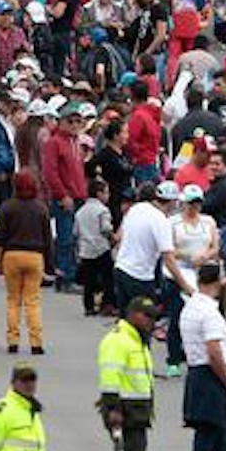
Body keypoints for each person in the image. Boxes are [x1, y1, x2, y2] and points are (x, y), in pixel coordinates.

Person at [98, 296, 160, 451]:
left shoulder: (136, 340)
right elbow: (110, 376)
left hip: (135, 410)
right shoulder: (119, 340)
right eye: (147, 316)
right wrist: (113, 409)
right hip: (123, 411)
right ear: (133, 314)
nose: (151, 322)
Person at [180, 262, 226, 451]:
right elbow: (214, 350)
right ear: (217, 281)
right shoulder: (209, 313)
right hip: (210, 373)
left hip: (198, 371)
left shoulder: (192, 307)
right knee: (208, 428)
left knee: (217, 428)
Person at [0, 169, 53, 354]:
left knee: (13, 300)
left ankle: (13, 340)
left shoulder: (7, 207)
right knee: (32, 301)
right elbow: (48, 239)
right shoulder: (41, 208)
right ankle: (36, 342)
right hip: (35, 256)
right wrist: (49, 264)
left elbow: (0, 237)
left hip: (11, 255)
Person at [113, 182, 194, 312]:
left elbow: (120, 237)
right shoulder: (161, 220)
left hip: (121, 269)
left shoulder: (136, 208)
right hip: (140, 276)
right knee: (145, 322)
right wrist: (185, 286)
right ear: (172, 202)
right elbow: (169, 258)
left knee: (126, 320)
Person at [166, 184, 219, 377]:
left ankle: (199, 356)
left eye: (197, 203)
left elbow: (215, 247)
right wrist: (187, 256)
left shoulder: (208, 222)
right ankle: (173, 359)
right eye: (190, 203)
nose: (194, 207)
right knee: (177, 316)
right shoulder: (173, 223)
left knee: (204, 316)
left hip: (203, 274)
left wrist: (204, 256)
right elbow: (168, 250)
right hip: (178, 273)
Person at [41, 102, 89, 294]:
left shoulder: (76, 142)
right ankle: (65, 277)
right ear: (61, 122)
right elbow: (50, 172)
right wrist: (62, 194)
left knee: (75, 239)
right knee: (65, 238)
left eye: (79, 121)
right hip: (66, 198)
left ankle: (71, 275)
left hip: (78, 195)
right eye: (71, 121)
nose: (76, 125)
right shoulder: (55, 143)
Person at [75, 178, 115, 318]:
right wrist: (112, 237)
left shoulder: (80, 211)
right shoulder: (102, 210)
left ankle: (89, 306)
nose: (108, 195)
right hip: (101, 248)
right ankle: (107, 304)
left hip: (86, 249)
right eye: (106, 192)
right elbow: (105, 228)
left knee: (89, 281)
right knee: (108, 278)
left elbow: (76, 231)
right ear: (99, 194)